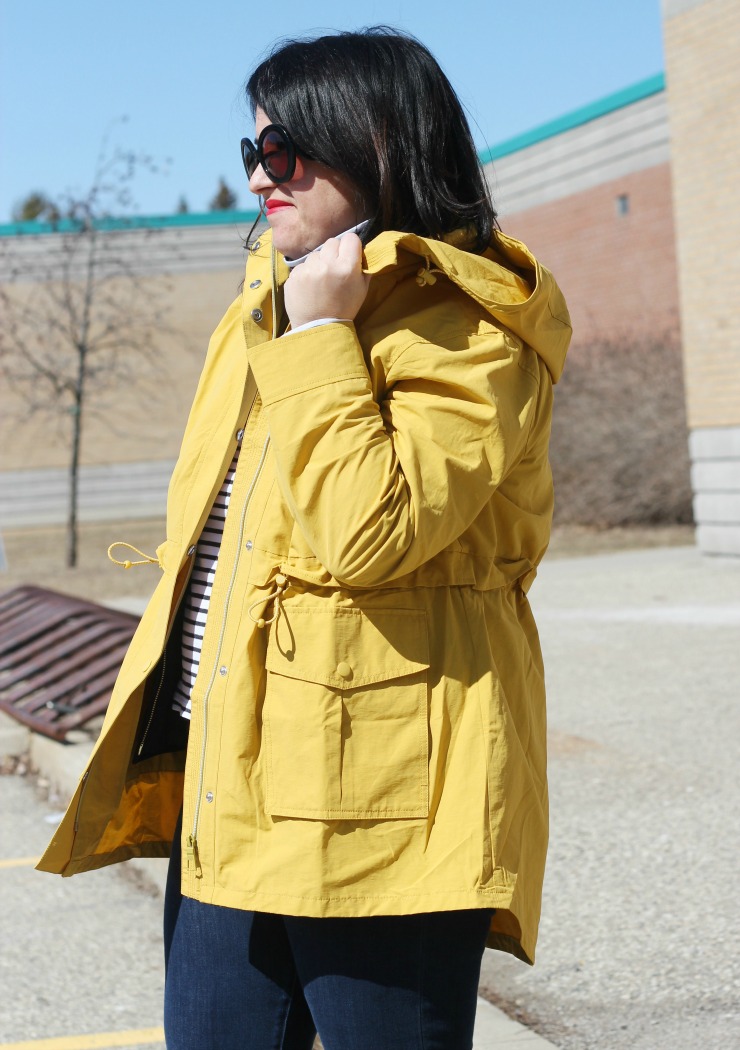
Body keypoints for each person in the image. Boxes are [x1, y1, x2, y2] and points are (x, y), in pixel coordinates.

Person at [38, 27, 571, 1050]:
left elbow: (370, 534)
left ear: (371, 139)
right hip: (230, 789)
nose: (258, 176)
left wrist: (324, 339)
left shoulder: (467, 321)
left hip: (380, 806)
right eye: (250, 152)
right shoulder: (263, 310)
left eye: (281, 149)